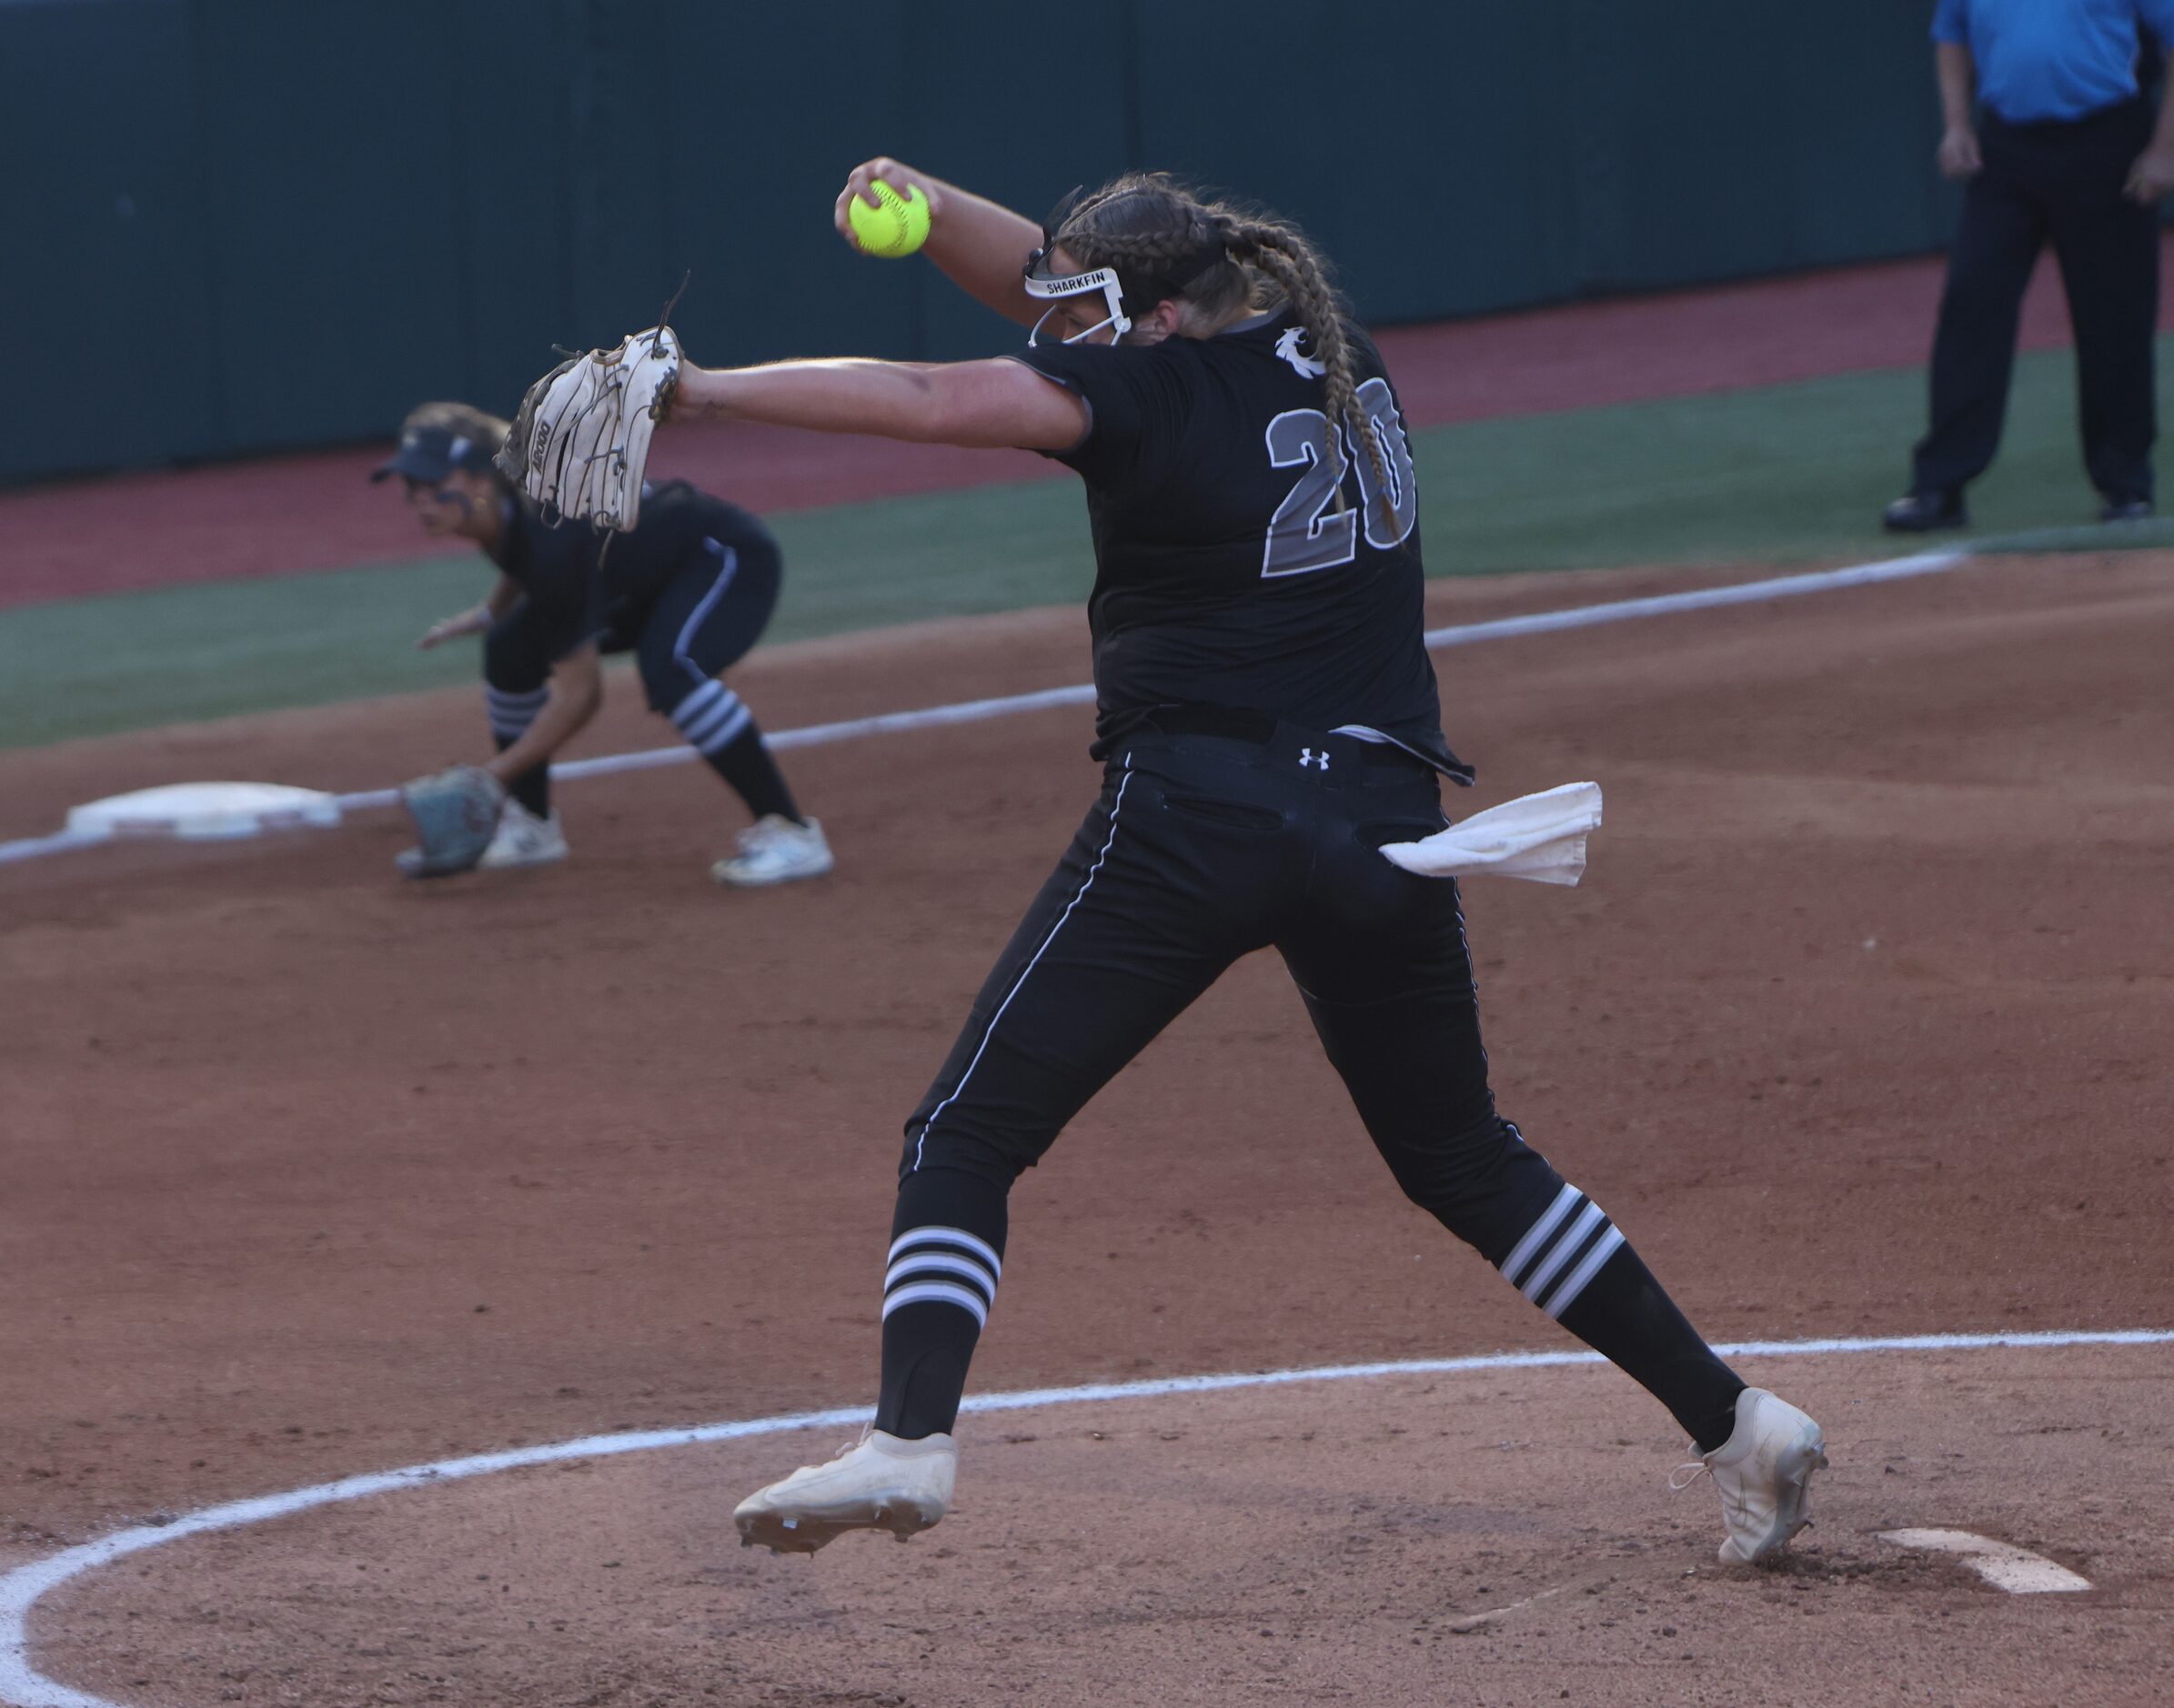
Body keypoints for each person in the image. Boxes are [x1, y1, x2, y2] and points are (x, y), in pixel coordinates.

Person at [614, 160, 1824, 1564]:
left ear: (1158, 319)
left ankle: (907, 1437)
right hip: (1383, 822)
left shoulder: (1140, 389)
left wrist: (695, 392)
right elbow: (1051, 293)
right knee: (1460, 1158)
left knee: (966, 1133)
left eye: (1084, 314)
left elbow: (942, 398)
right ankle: (1740, 1425)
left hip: (1199, 819)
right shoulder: (1323, 347)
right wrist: (933, 206)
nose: (1055, 329)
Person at [375, 402, 832, 885]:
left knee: (671, 669)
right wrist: (492, 613)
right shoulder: (503, 510)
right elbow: (522, 562)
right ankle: (534, 828)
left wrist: (493, 777)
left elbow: (582, 696)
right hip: (637, 583)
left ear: (479, 481)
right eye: (411, 487)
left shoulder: (549, 535)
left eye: (433, 485)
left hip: (722, 560)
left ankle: (791, 831)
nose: (420, 500)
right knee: (510, 647)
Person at [1886, 0, 2174, 532]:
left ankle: (2125, 483)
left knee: (2114, 316)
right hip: (2007, 146)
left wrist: (2164, 148)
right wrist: (1955, 125)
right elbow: (1952, 33)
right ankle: (1941, 485)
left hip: (2107, 138)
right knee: (1972, 303)